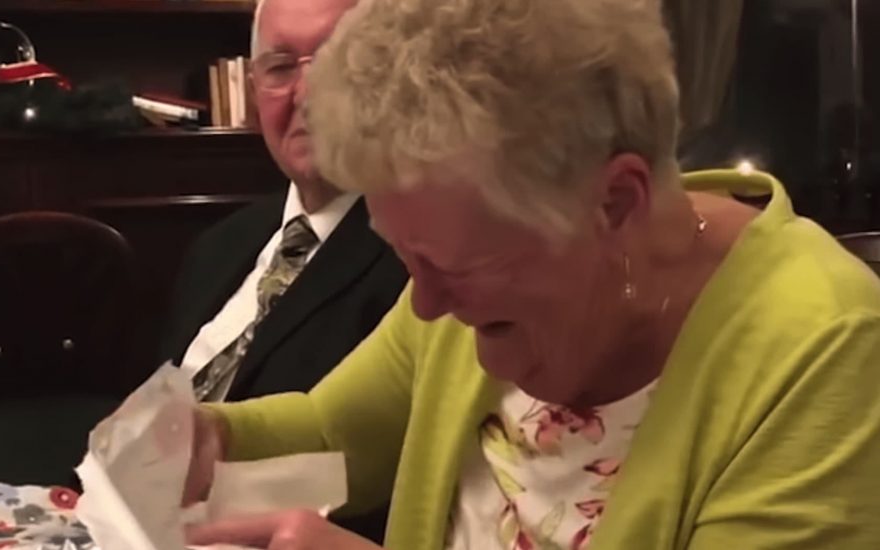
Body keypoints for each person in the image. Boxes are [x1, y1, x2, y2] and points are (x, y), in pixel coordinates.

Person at [180, 0, 880, 548]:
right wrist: (209, 441)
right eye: (406, 256)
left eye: (453, 264)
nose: (424, 304)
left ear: (615, 202)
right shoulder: (461, 277)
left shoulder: (824, 347)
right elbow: (334, 434)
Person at [158, 0, 406, 541]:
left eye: (337, 60)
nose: (307, 94)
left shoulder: (423, 261)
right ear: (253, 91)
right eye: (280, 67)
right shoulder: (217, 245)